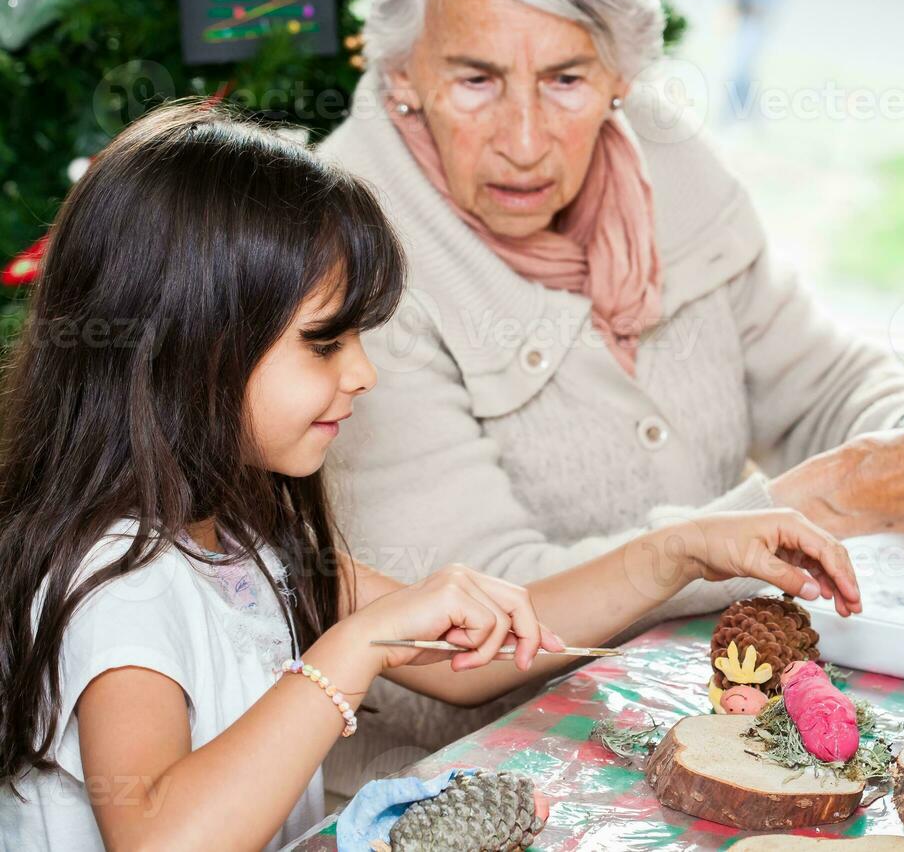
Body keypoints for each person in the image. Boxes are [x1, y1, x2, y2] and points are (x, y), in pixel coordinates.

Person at [319, 0, 904, 789]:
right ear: (399, 75)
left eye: (568, 78)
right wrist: (825, 501)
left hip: (691, 722)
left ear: (621, 72)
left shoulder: (658, 159)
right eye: (476, 80)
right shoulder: (346, 259)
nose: (527, 137)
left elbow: (822, 384)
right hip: (466, 782)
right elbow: (476, 630)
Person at [0, 103, 860, 851]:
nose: (364, 373)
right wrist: (353, 648)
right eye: (326, 341)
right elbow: (157, 838)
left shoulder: (239, 539)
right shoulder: (114, 581)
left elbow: (469, 661)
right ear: (184, 348)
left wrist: (676, 553)